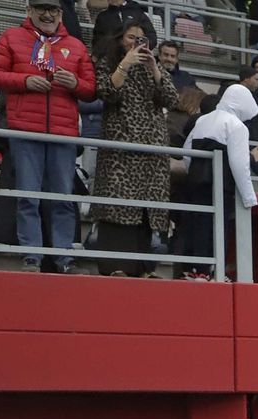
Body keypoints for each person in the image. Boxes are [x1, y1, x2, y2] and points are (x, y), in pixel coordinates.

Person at [0, 0, 96, 274]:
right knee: (28, 196)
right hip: (25, 128)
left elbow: (91, 89)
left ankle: (63, 257)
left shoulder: (78, 46)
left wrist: (76, 84)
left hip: (63, 133)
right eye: (40, 8)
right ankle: (32, 255)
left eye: (53, 10)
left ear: (61, 13)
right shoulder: (11, 37)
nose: (47, 14)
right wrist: (24, 81)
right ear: (29, 11)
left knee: (62, 197)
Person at [90, 21, 176, 277]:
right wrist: (125, 64)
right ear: (119, 40)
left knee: (146, 214)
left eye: (141, 39)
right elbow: (106, 91)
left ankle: (142, 269)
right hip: (121, 152)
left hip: (153, 152)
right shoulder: (109, 62)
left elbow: (171, 98)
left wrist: (154, 68)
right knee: (119, 211)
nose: (136, 43)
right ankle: (115, 268)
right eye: (131, 37)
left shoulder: (154, 66)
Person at [176, 83, 258, 279]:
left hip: (196, 183)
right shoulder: (236, 126)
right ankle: (214, 272)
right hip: (221, 185)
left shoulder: (202, 121)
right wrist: (249, 197)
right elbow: (239, 163)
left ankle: (196, 270)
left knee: (196, 225)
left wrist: (195, 173)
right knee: (218, 228)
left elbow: (187, 152)